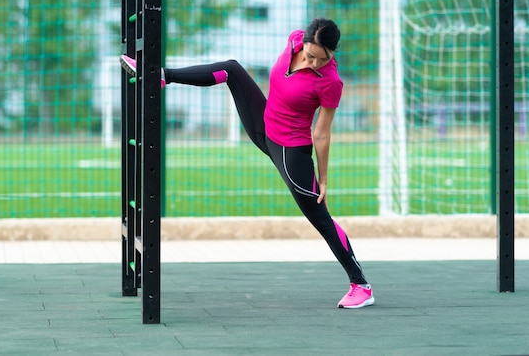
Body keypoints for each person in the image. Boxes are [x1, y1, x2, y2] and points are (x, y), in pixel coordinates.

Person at [121, 18, 374, 309]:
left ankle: (361, 285)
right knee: (232, 69)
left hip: (290, 151)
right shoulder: (293, 40)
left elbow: (322, 133)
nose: (315, 62)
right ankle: (162, 76)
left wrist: (324, 178)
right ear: (302, 41)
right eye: (310, 54)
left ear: (333, 53)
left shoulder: (331, 82)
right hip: (262, 124)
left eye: (323, 58)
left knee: (321, 219)